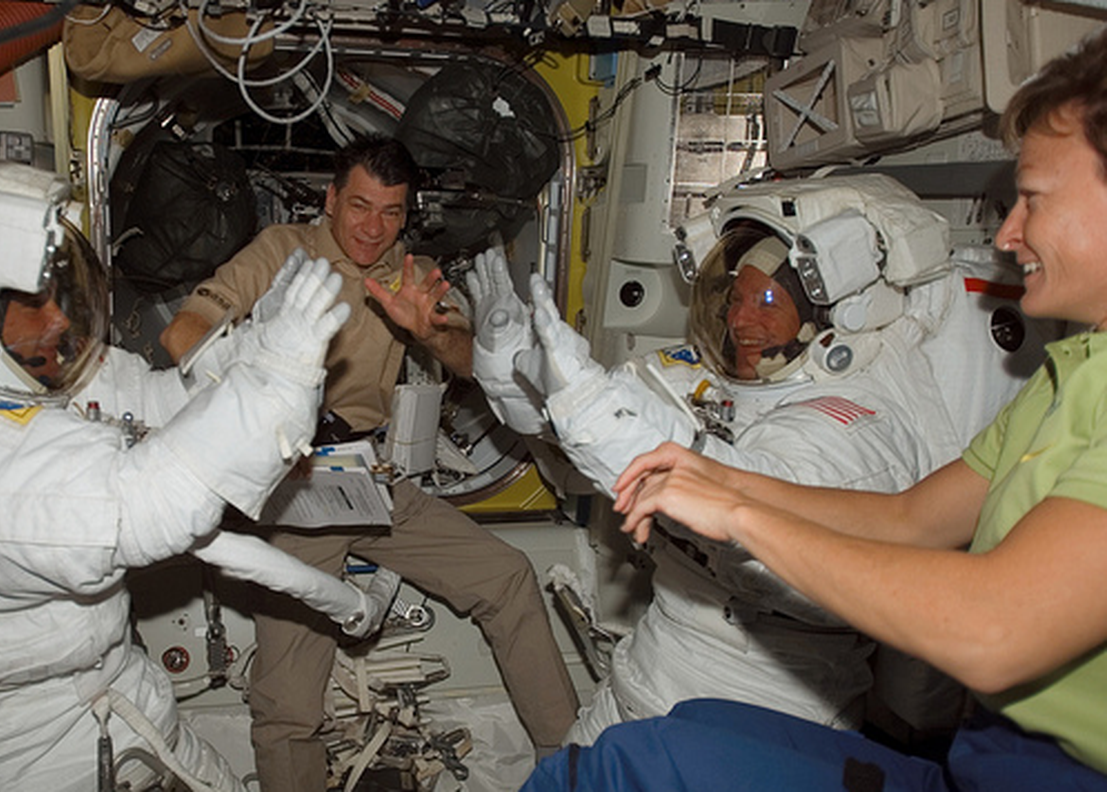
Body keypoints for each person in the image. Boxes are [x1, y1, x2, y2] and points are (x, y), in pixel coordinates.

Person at [526, 25, 1107, 791]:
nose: (1006, 234)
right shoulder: (1068, 376)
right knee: (660, 743)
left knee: (638, 763)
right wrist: (711, 477)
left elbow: (993, 632)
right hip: (990, 759)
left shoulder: (864, 414)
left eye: (1031, 199)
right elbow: (910, 521)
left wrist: (739, 514)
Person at [0, 143, 402, 792]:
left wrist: (244, 355)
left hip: (115, 711)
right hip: (33, 761)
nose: (56, 323)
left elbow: (147, 405)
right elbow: (139, 505)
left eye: (59, 292)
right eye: (28, 301)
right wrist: (268, 390)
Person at [468, 172, 1051, 745]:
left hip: (751, 718)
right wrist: (516, 375)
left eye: (768, 300)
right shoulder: (721, 383)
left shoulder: (855, 424)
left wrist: (602, 418)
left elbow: (771, 524)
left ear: (832, 314)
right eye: (735, 299)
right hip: (647, 683)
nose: (740, 322)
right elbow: (583, 458)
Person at [161, 134, 579, 791]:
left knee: (508, 578)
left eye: (390, 212)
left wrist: (432, 331)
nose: (372, 227)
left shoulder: (407, 273)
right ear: (330, 199)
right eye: (358, 206)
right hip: (292, 486)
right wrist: (257, 369)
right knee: (289, 704)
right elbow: (182, 332)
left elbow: (474, 367)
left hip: (371, 479)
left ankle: (572, 768)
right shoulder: (283, 254)